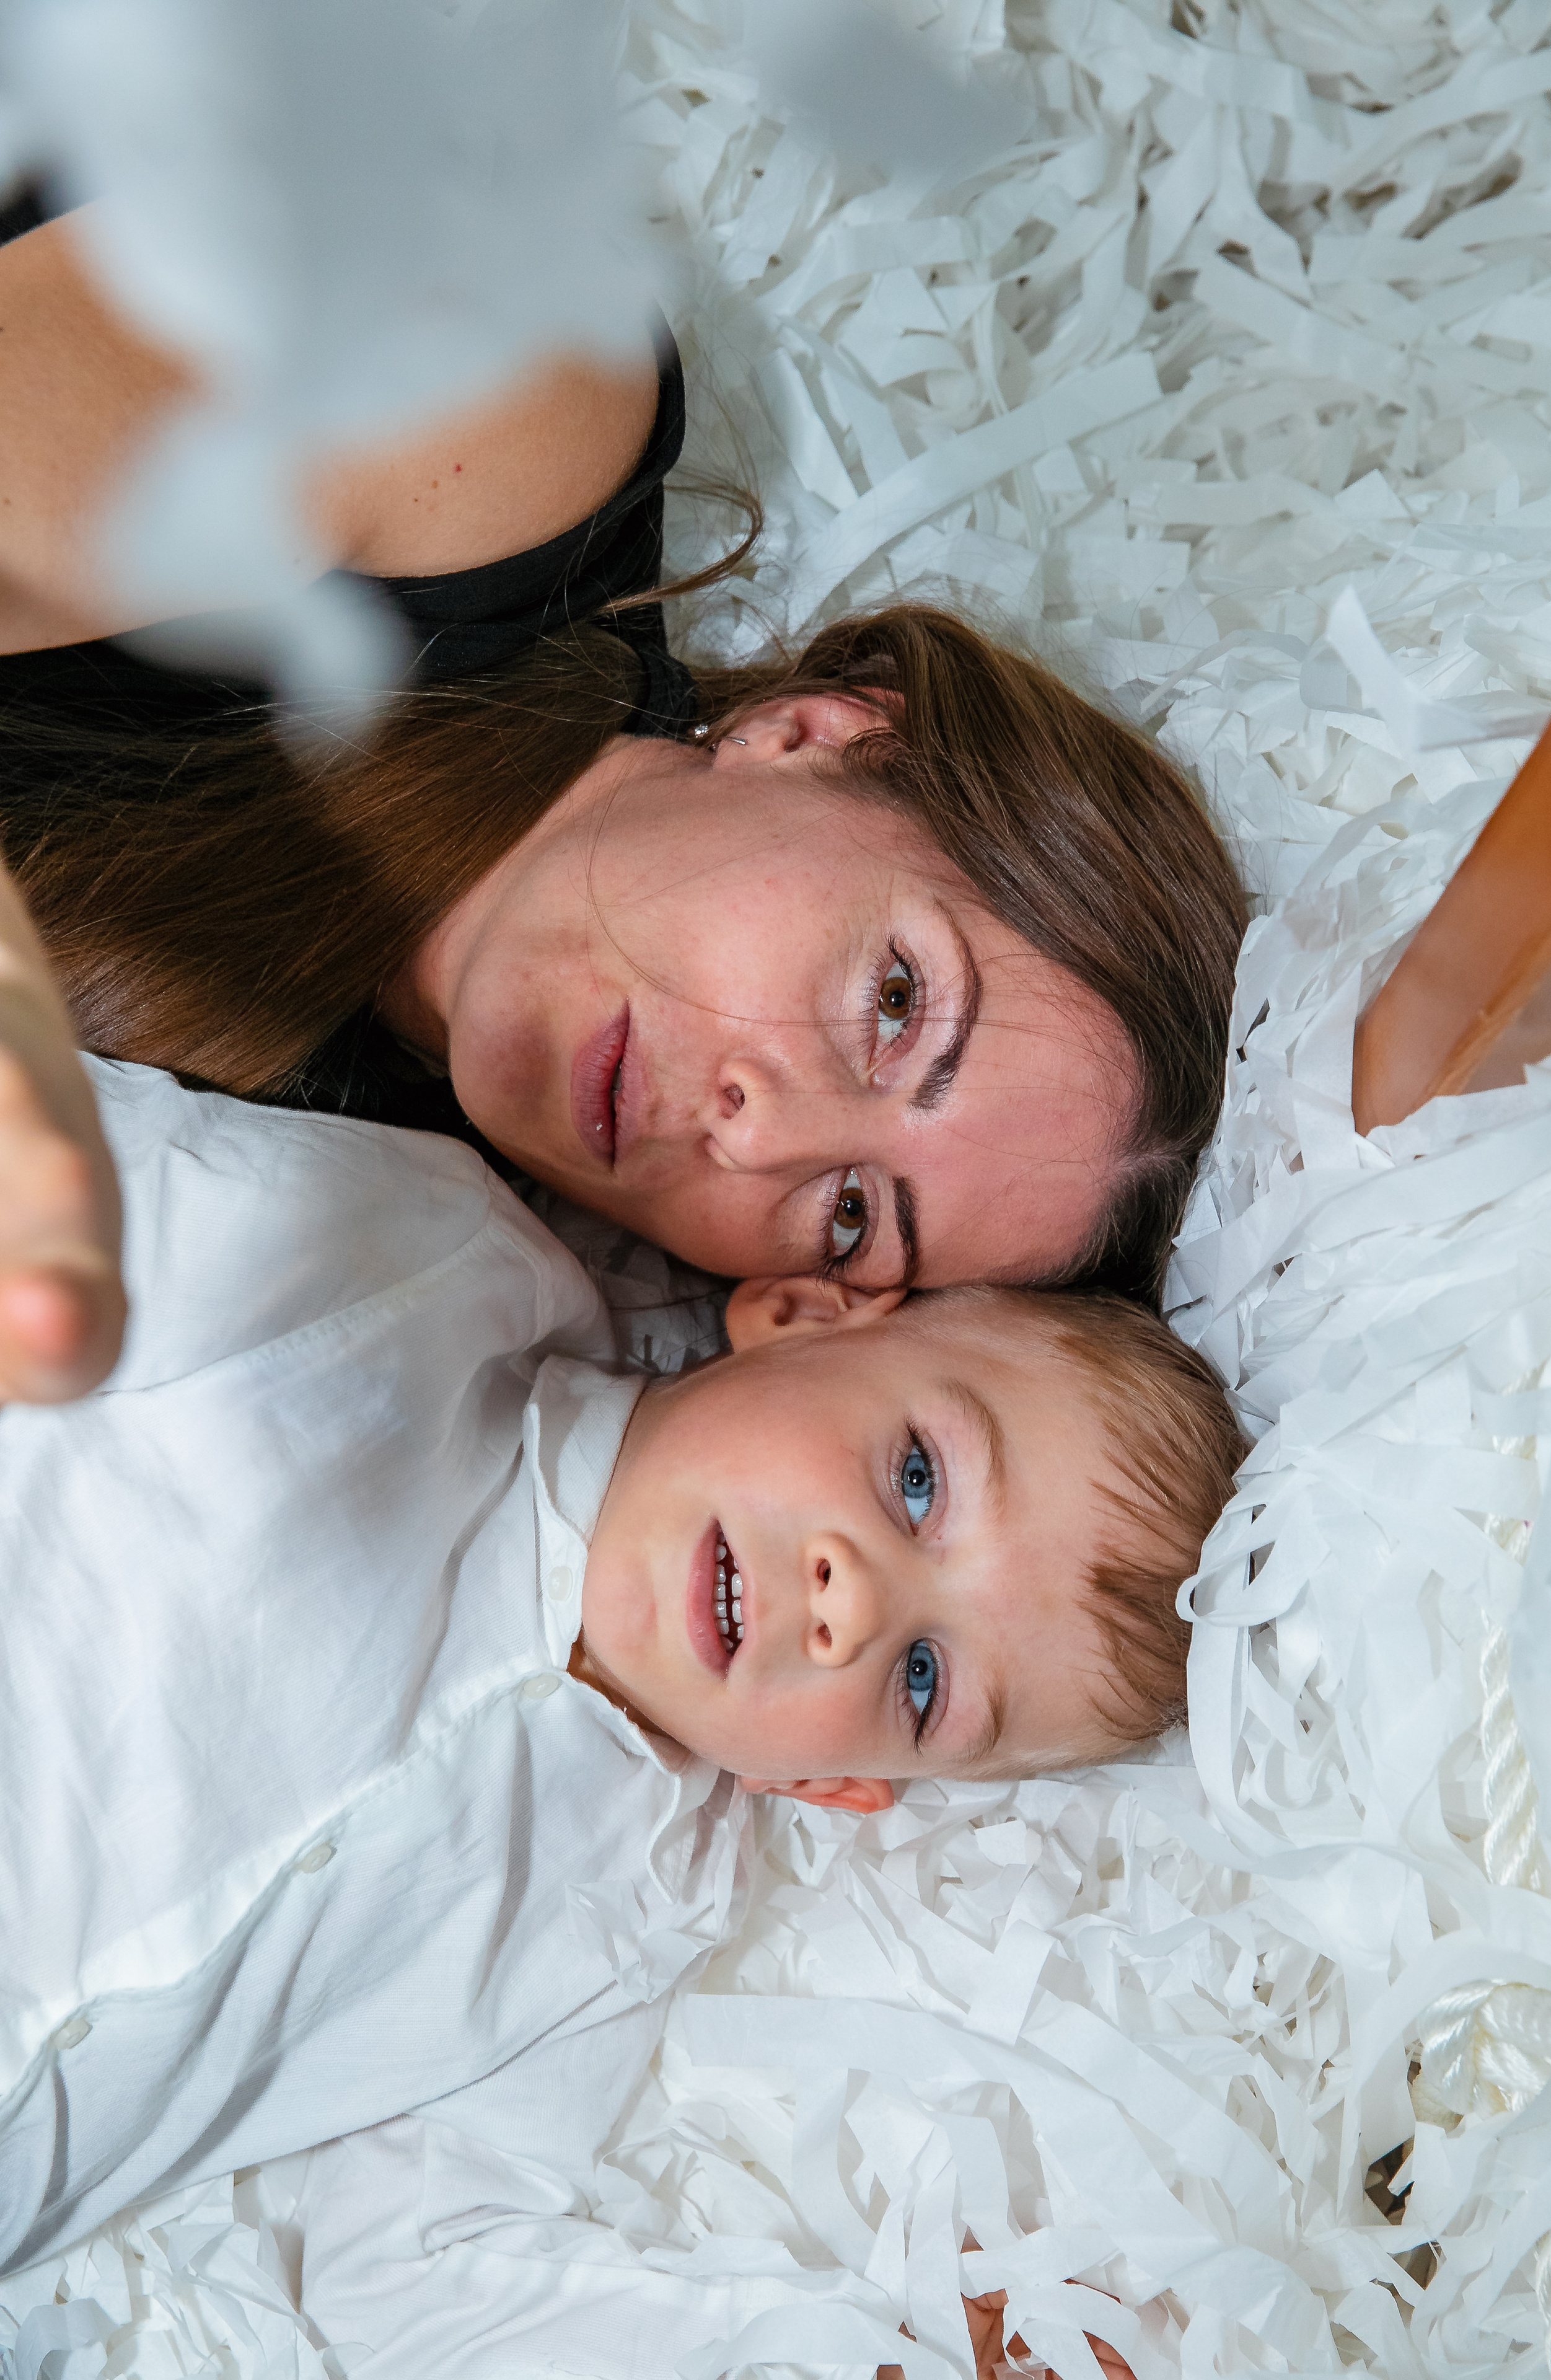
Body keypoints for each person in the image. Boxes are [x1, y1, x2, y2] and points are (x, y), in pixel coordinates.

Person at [0, 1051, 1245, 2359]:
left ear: (828, 1787)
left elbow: (410, 2268)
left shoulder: (624, 1914)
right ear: (803, 1315)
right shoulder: (427, 1275)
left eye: (921, 1682)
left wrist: (891, 2343)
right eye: (918, 1479)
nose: (852, 1605)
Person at [0, 201, 1247, 1408]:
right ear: (815, 734)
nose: (756, 1142)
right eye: (893, 1003)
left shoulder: (354, 1247)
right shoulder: (519, 407)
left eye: (851, 1217)